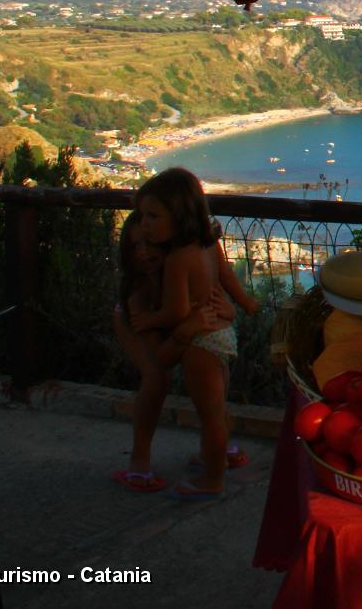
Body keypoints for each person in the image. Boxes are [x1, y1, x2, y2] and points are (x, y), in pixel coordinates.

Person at [135, 167, 255, 500]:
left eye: (153, 216)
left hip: (200, 342)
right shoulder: (208, 244)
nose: (144, 224)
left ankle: (213, 478)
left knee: (209, 414)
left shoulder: (176, 259)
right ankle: (211, 457)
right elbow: (229, 278)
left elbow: (177, 311)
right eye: (143, 216)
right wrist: (247, 303)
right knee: (218, 408)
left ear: (179, 216)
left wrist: (149, 320)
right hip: (223, 334)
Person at [109, 210, 235, 492]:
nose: (143, 253)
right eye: (134, 247)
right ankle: (139, 462)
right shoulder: (139, 293)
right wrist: (186, 331)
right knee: (156, 379)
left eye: (149, 245)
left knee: (213, 371)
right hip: (136, 323)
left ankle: (213, 446)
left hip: (177, 328)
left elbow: (219, 304)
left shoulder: (182, 268)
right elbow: (160, 359)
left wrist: (227, 311)